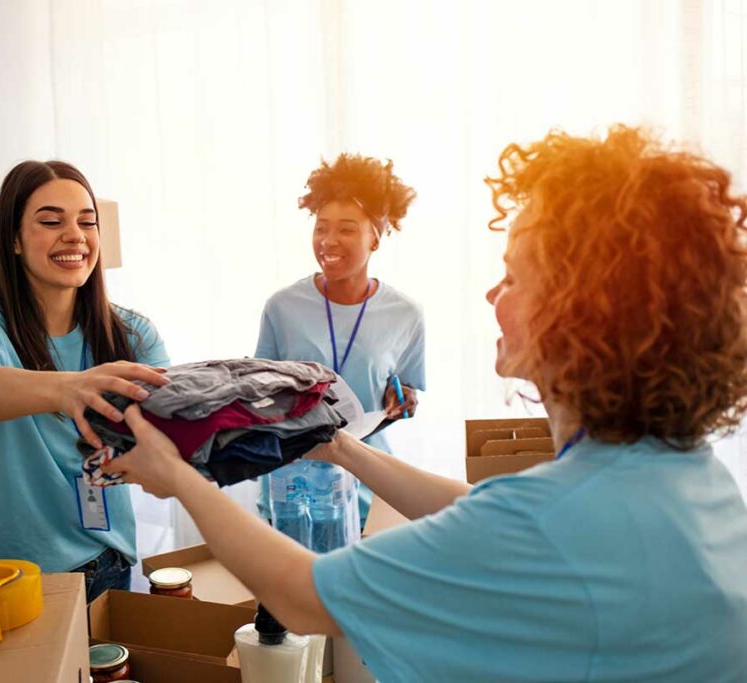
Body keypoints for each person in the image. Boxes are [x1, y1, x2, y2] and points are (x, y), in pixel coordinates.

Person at [104, 126, 747, 681]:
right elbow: (487, 514)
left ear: (585, 311)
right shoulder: (686, 476)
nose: (493, 293)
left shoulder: (556, 519)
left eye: (516, 275)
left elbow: (303, 597)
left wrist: (180, 478)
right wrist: (342, 447)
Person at [0, 160, 169, 601]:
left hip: (111, 564)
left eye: (87, 222)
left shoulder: (134, 335)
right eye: (50, 221)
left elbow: (164, 434)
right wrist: (69, 389)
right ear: (14, 240)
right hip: (20, 579)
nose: (75, 236)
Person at [255, 153, 425, 528]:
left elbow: (409, 392)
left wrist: (405, 399)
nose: (329, 240)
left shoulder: (405, 314)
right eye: (321, 227)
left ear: (376, 236)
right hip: (294, 488)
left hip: (369, 488)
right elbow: (257, 392)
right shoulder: (282, 307)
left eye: (347, 229)